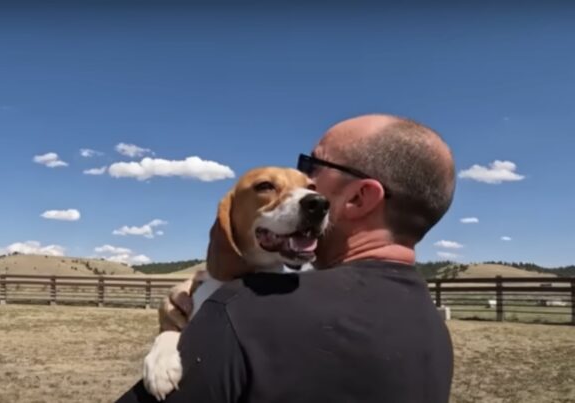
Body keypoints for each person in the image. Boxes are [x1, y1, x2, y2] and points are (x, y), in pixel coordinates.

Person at [116, 113, 455, 403]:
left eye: (312, 168)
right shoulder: (434, 335)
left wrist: (202, 316)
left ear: (358, 198)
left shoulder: (244, 312)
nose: (306, 189)